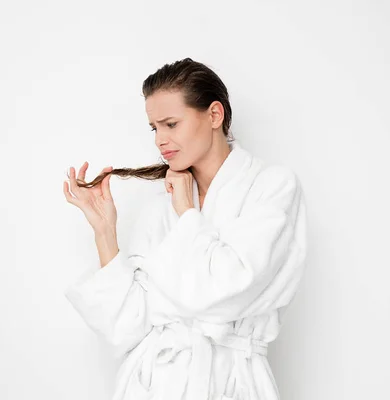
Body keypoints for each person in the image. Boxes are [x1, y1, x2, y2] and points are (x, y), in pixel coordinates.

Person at [62, 58, 307, 400]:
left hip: (231, 384)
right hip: (153, 387)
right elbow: (127, 328)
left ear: (214, 115)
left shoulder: (271, 188)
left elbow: (228, 290)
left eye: (171, 124)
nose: (160, 140)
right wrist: (105, 232)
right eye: (154, 128)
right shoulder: (159, 209)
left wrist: (187, 212)